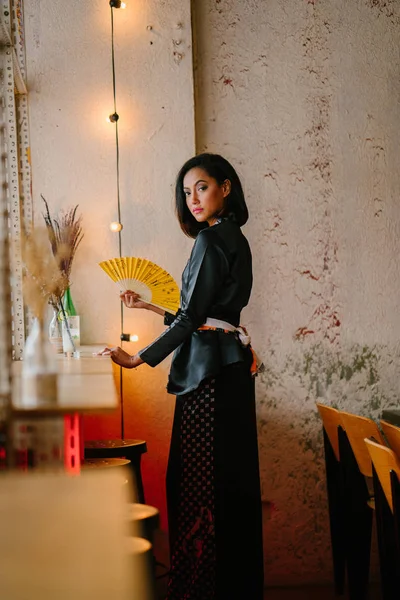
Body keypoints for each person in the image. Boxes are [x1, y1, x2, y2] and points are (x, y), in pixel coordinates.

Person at [102, 153, 264, 599]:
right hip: (226, 365)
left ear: (225, 187)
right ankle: (228, 586)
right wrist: (151, 307)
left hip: (209, 376)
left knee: (197, 485)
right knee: (228, 485)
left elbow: (195, 317)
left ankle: (199, 588)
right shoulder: (232, 237)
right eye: (187, 191)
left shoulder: (210, 242)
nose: (193, 199)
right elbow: (211, 316)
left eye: (202, 187)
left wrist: (139, 359)